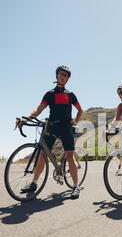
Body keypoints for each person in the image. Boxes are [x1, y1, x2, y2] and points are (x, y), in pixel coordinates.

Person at [18, 65, 83, 199]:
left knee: (69, 156)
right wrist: (27, 118)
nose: (63, 77)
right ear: (56, 76)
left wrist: (75, 122)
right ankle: (34, 183)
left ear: (67, 79)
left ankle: (76, 186)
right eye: (61, 74)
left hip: (66, 127)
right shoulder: (49, 94)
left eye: (65, 75)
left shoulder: (70, 95)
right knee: (43, 155)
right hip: (52, 127)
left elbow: (80, 110)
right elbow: (39, 109)